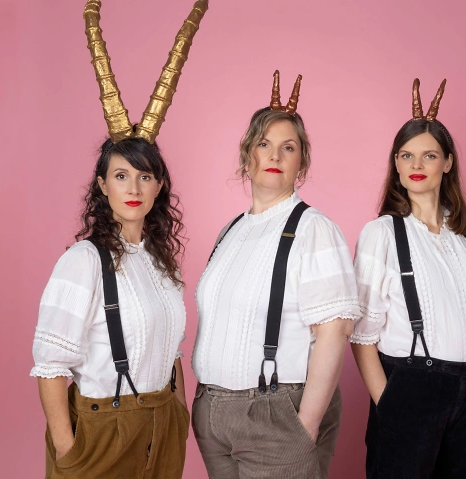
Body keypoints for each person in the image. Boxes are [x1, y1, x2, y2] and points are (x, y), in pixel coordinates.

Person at [30, 1, 209, 477]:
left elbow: (172, 353)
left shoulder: (161, 262)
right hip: (103, 430)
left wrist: (177, 412)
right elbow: (51, 367)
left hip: (162, 426)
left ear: (159, 186)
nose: (134, 187)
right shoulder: (84, 261)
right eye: (121, 175)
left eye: (145, 176)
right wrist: (69, 454)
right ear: (102, 185)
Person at [191, 71, 360, 479]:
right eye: (264, 144)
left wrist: (306, 425)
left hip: (276, 415)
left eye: (289, 147)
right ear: (247, 154)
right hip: (212, 416)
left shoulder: (314, 228)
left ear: (302, 162)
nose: (275, 156)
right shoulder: (231, 230)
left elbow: (334, 331)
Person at [351, 79, 466, 479]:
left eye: (429, 155)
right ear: (396, 164)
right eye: (407, 156)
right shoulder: (382, 233)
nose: (416, 166)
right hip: (411, 389)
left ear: (447, 163)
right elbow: (362, 336)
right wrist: (389, 405)